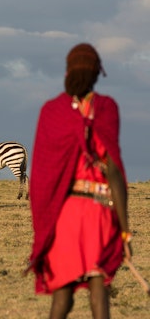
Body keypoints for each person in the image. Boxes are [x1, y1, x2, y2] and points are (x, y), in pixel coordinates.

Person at [28, 43, 131, 319]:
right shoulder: (107, 108)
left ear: (68, 71)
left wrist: (45, 224)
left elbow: (42, 175)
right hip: (99, 212)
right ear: (97, 73)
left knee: (63, 297)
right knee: (99, 292)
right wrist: (125, 230)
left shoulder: (52, 111)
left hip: (66, 215)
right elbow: (114, 172)